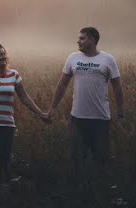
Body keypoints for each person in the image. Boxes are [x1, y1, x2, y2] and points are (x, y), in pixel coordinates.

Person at [48, 27, 125, 179]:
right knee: (76, 158)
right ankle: (79, 188)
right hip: (78, 117)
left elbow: (117, 86)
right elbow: (62, 84)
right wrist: (53, 107)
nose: (78, 41)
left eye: (82, 38)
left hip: (100, 118)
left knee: (101, 158)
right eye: (79, 38)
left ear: (93, 40)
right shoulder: (73, 58)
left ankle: (99, 190)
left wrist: (121, 112)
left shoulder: (108, 59)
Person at [0, 43, 50, 185]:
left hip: (6, 126)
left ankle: (1, 191)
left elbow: (24, 97)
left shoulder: (14, 74)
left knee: (2, 161)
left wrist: (40, 113)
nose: (3, 56)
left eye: (4, 53)